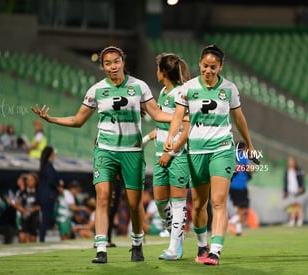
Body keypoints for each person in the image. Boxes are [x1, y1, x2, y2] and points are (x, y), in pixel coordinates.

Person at [31, 46, 175, 264]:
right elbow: (78, 120)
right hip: (105, 150)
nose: (112, 67)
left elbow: (155, 113)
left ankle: (137, 243)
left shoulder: (139, 86)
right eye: (107, 63)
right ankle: (100, 248)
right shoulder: (96, 90)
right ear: (103, 66)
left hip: (132, 150)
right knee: (103, 196)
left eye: (116, 61)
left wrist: (181, 116)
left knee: (135, 203)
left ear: (123, 62)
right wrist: (52, 120)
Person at [164, 44, 257, 265]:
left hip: (222, 149)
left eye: (213, 67)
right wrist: (172, 136)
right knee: (198, 205)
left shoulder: (229, 89)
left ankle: (215, 250)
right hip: (196, 151)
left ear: (220, 66)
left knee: (218, 201)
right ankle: (202, 244)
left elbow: (239, 119)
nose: (208, 70)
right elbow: (178, 117)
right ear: (199, 64)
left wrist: (250, 145)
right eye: (205, 66)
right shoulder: (187, 88)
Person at [142, 52, 191, 260]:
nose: (156, 72)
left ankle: (174, 248)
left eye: (157, 69)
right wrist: (146, 138)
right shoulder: (163, 91)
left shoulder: (181, 93)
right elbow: (166, 124)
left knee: (178, 202)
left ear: (163, 72)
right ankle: (175, 235)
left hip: (177, 155)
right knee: (161, 202)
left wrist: (170, 153)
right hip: (160, 154)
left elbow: (186, 126)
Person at [228, 141, 253, 236]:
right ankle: (231, 222)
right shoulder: (242, 155)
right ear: (243, 148)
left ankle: (238, 230)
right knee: (244, 208)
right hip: (240, 186)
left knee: (239, 208)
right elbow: (251, 168)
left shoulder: (232, 155)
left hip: (232, 185)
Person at [38, 146, 60, 242]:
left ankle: (42, 237)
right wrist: (58, 186)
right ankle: (41, 238)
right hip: (48, 196)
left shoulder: (44, 166)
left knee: (45, 217)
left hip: (44, 195)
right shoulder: (48, 166)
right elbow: (51, 181)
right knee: (46, 217)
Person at [16, 172, 40, 243]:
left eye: (31, 180)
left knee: (32, 238)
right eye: (27, 180)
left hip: (34, 217)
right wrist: (23, 210)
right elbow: (18, 204)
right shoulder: (22, 192)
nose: (28, 182)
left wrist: (32, 209)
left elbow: (42, 205)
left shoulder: (39, 192)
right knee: (22, 236)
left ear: (35, 181)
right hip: (24, 218)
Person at [282, 156, 306, 227]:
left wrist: (301, 187)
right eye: (289, 161)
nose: (290, 162)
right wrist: (285, 191)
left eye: (291, 161)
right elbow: (286, 182)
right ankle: (292, 221)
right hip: (291, 191)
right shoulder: (287, 171)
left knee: (298, 206)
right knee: (292, 207)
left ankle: (299, 221)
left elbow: (301, 179)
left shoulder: (298, 170)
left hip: (298, 191)